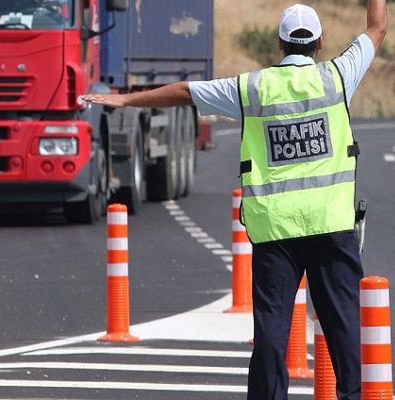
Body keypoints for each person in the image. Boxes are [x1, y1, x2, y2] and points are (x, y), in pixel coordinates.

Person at [81, 1, 388, 399]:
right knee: (345, 329)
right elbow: (377, 27)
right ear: (320, 43)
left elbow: (183, 93)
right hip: (330, 228)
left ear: (279, 44)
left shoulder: (250, 89)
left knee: (272, 336)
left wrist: (125, 101)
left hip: (275, 232)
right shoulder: (339, 76)